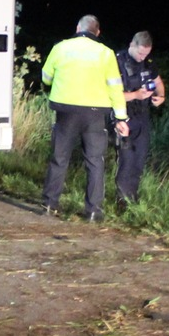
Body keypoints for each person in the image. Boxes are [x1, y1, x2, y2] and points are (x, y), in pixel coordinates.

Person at [39, 15, 129, 222]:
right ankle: (93, 211)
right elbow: (115, 88)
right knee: (95, 161)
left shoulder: (60, 47)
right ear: (98, 32)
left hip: (66, 111)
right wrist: (121, 118)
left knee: (59, 158)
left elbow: (46, 77)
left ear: (78, 27)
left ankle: (49, 205)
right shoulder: (106, 53)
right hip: (95, 114)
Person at [114, 31, 166, 206]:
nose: (143, 57)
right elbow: (111, 96)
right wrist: (136, 95)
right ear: (132, 45)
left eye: (146, 54)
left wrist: (161, 97)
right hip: (122, 115)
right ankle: (122, 200)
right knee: (126, 159)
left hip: (142, 116)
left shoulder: (148, 63)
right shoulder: (117, 61)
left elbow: (158, 82)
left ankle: (132, 199)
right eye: (140, 53)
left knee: (139, 158)